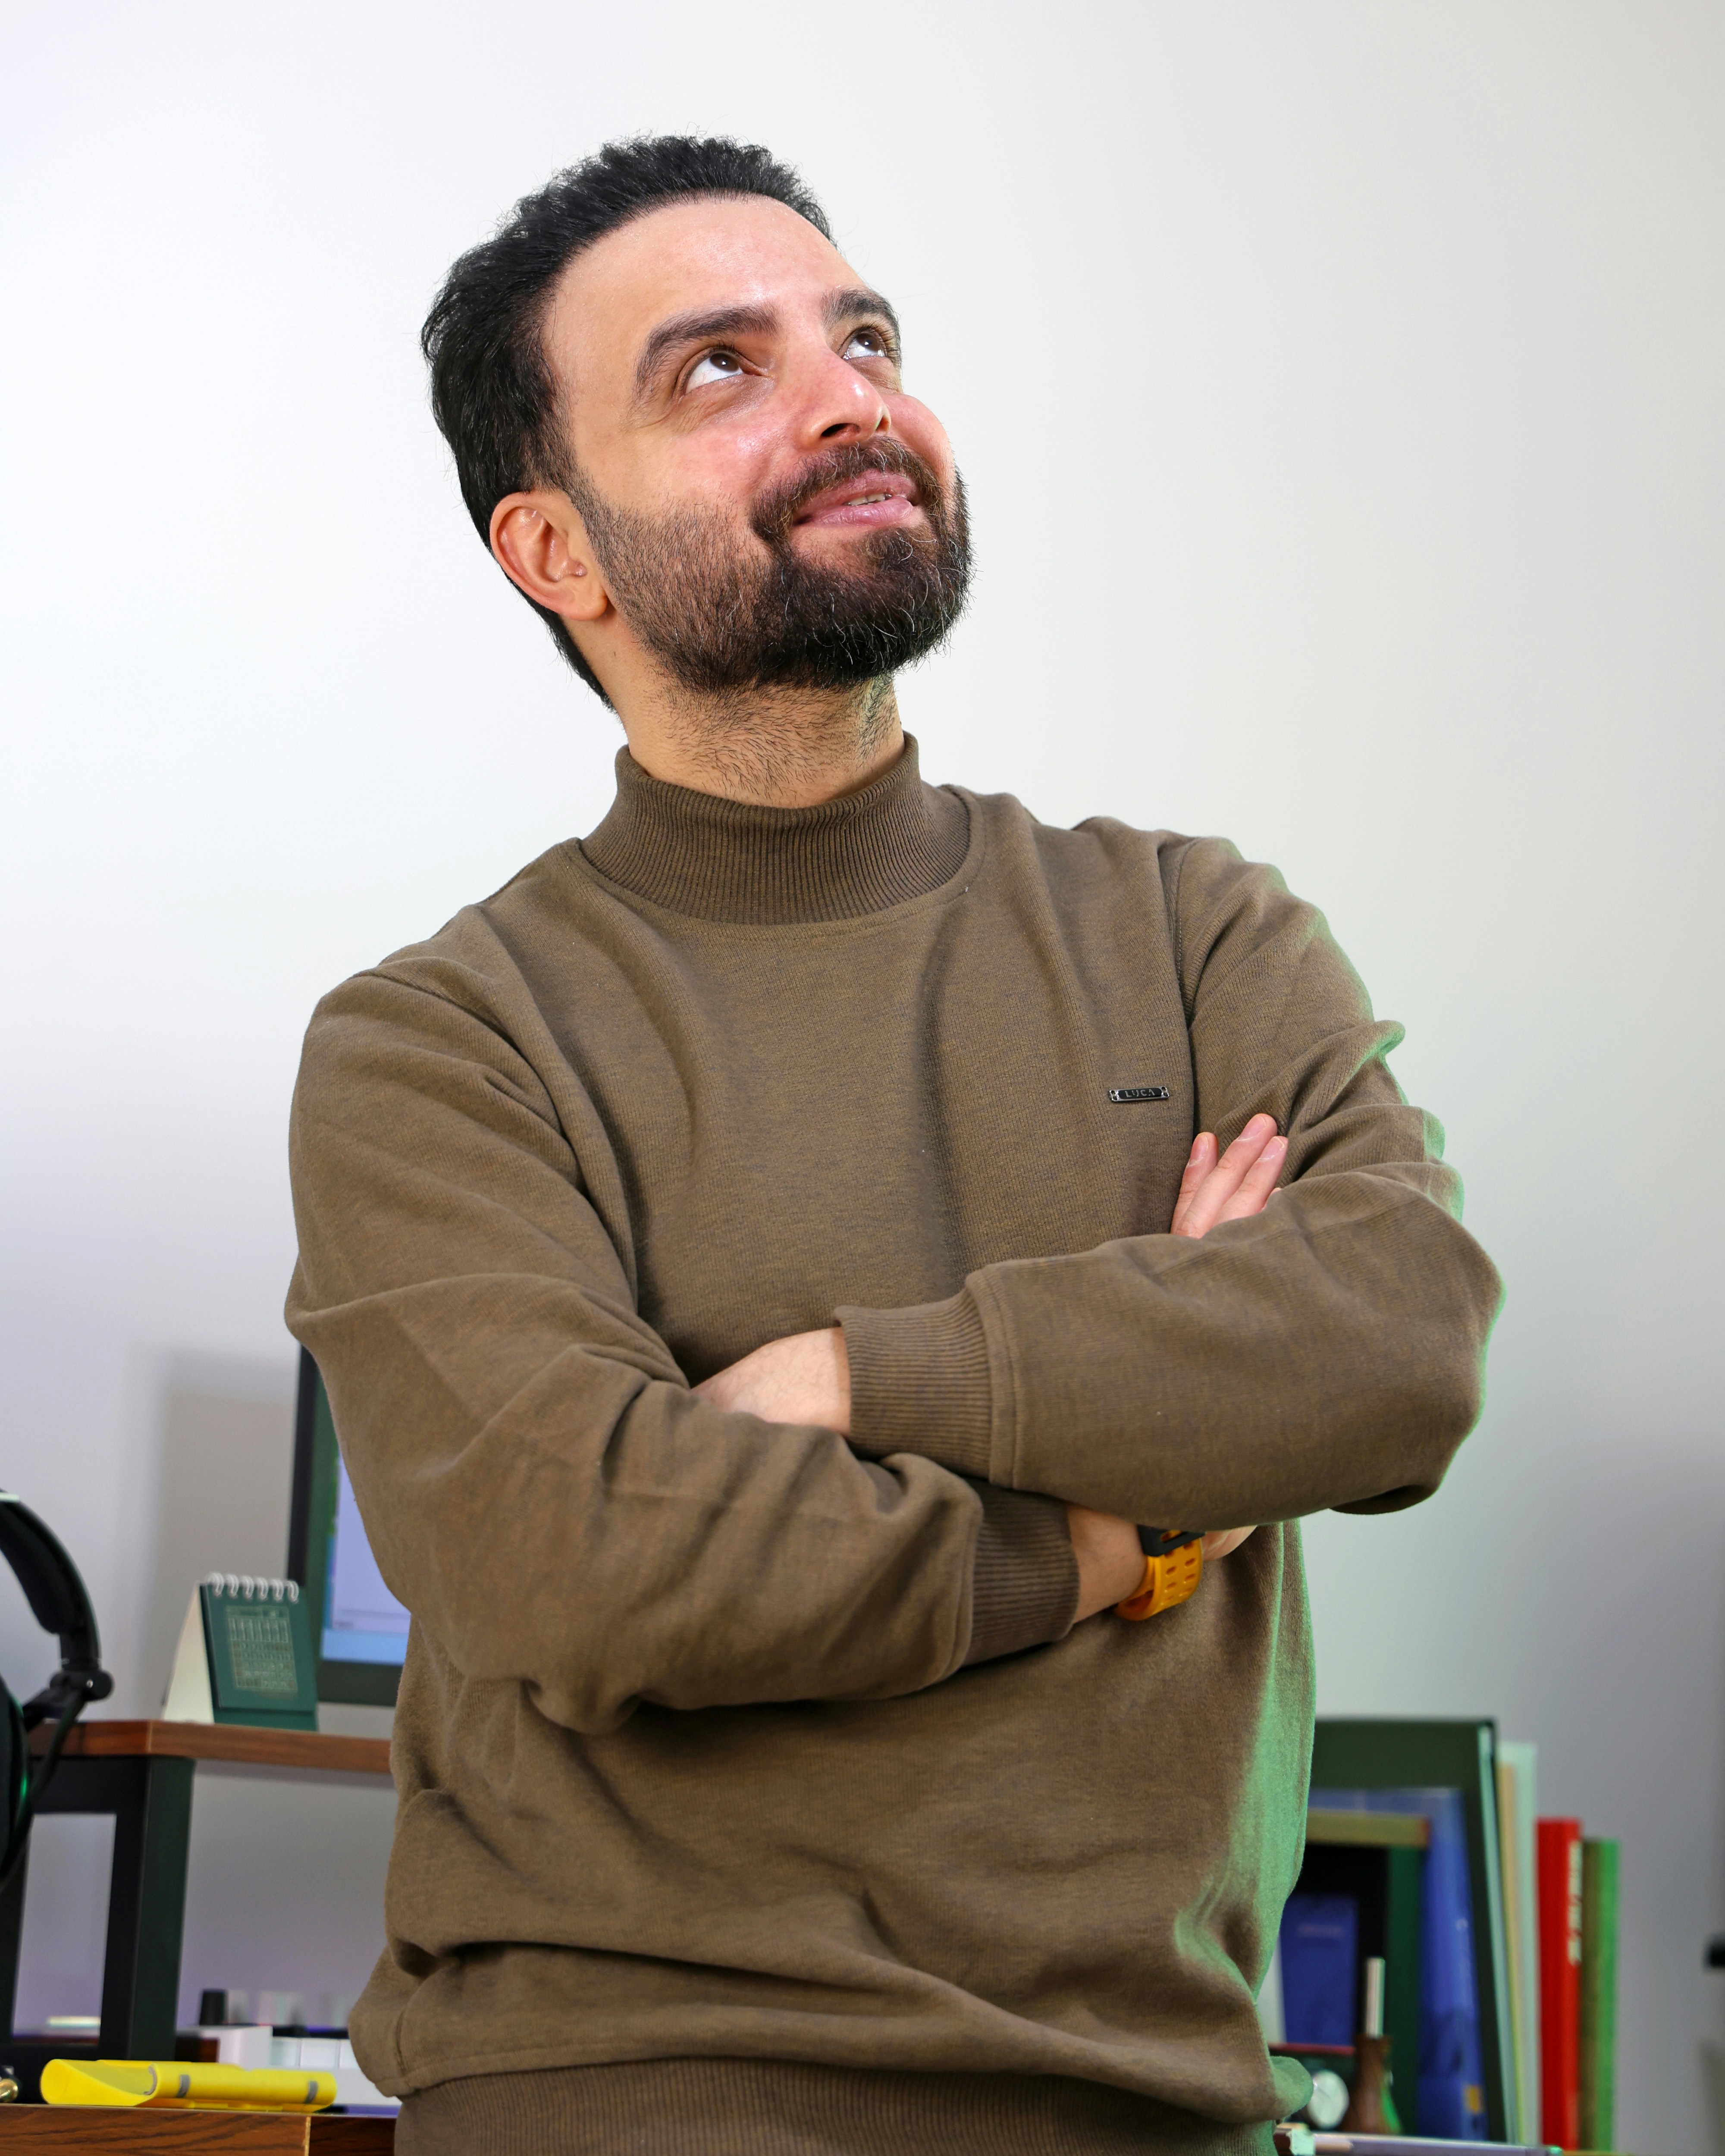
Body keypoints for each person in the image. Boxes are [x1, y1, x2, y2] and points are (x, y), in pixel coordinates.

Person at [285, 136, 1502, 2156]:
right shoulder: (442, 1040)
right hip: (628, 2103)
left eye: (864, 336)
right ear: (555, 553)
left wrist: (863, 1376)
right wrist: (1133, 1519)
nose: (853, 396)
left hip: (1165, 2106)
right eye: (717, 368)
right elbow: (595, 1559)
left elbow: (1396, 1337)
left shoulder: (1194, 930)